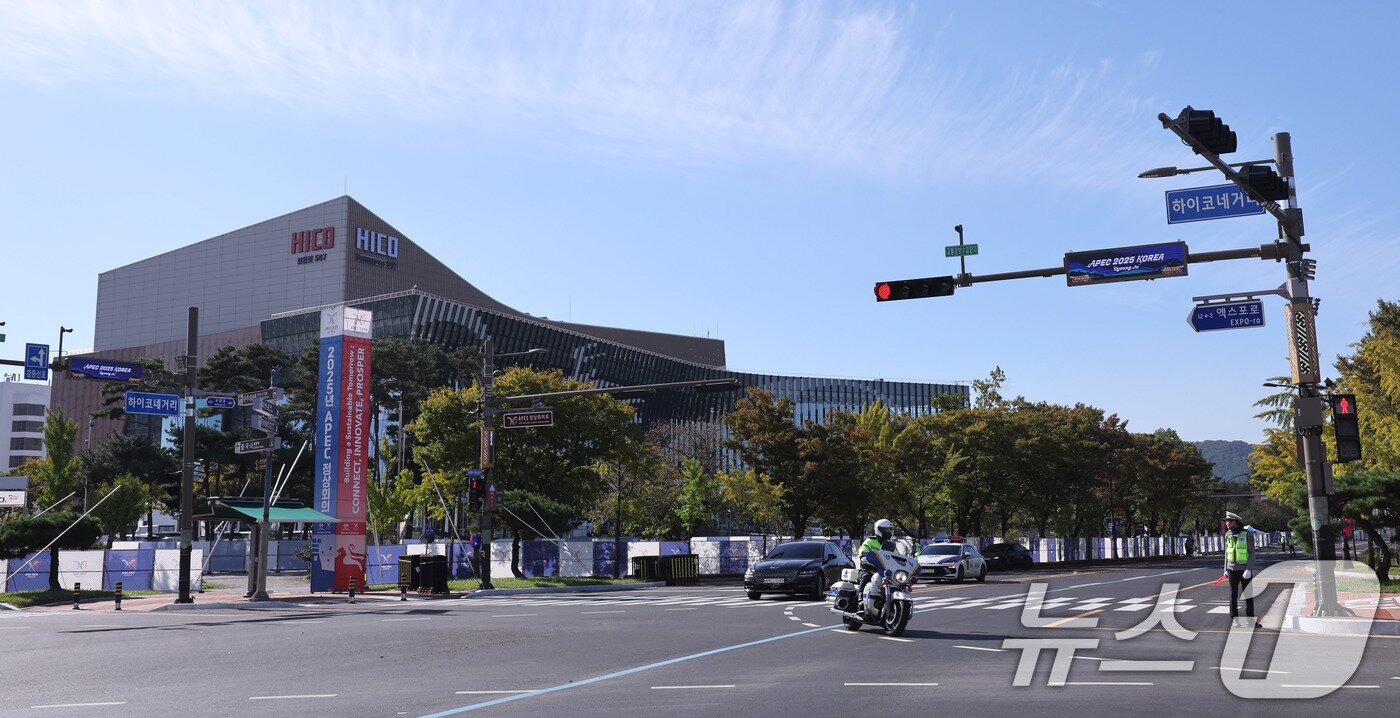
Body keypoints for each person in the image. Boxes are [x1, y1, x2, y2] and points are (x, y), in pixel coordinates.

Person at [1223, 511, 1259, 628]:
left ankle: (1250, 620)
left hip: (1244, 570)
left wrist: (1249, 569)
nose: (1226, 523)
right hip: (1231, 569)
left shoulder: (1247, 533)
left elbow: (1252, 553)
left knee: (1248, 594)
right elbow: (1227, 553)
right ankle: (1235, 619)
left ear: (1234, 522)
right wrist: (1225, 569)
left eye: (1228, 521)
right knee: (1232, 595)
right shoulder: (1227, 534)